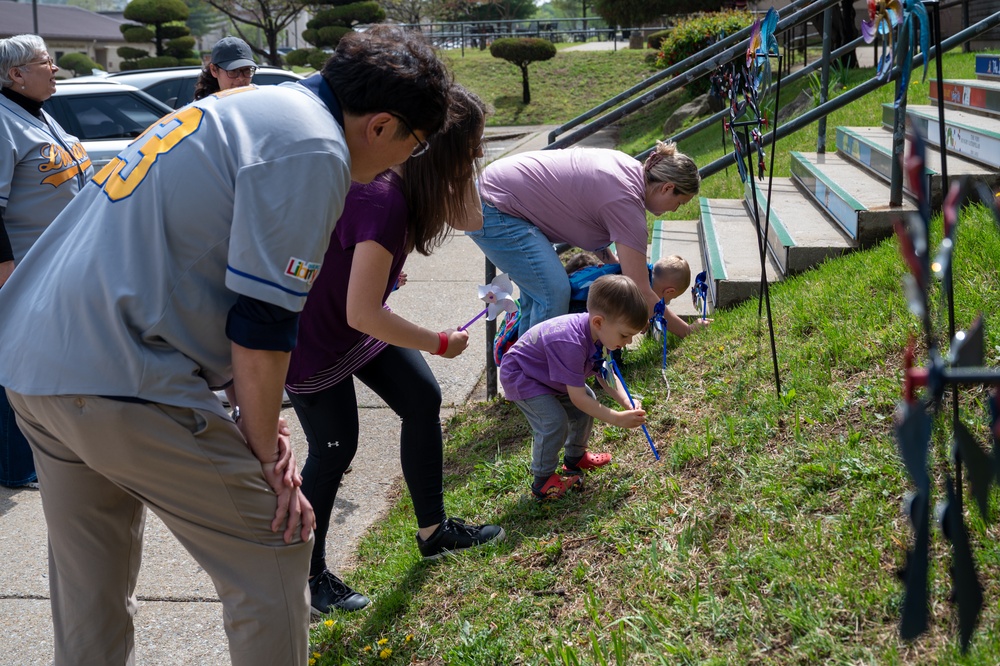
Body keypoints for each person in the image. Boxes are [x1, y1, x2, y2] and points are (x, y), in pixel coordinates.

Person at [0, 25, 450, 666]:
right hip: (116, 374)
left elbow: (225, 284)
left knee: (89, 581)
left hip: (33, 360)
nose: (407, 161)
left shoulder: (246, 106)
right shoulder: (315, 149)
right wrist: (267, 452)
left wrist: (255, 416)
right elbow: (263, 323)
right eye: (416, 143)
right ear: (381, 125)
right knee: (275, 542)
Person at [284, 85, 504, 616]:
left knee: (421, 396)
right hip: (315, 339)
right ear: (437, 150)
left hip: (349, 323)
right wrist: (439, 342)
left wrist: (379, 271)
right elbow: (362, 314)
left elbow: (472, 218)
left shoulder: (398, 190)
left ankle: (433, 533)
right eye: (472, 148)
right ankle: (306, 580)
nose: (479, 158)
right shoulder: (383, 198)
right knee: (335, 449)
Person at [468, 141, 702, 339]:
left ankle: (524, 380)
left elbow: (589, 220)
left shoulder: (629, 169)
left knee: (537, 297)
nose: (674, 210)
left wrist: (611, 261)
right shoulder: (626, 202)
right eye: (679, 203)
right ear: (667, 188)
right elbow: (639, 288)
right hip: (495, 205)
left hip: (496, 191)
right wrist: (688, 330)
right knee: (553, 292)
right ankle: (538, 382)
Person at [0, 34, 92, 489]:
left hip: (57, 268)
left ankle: (47, 450)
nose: (54, 68)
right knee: (16, 365)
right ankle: (17, 465)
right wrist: (6, 272)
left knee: (49, 362)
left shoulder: (37, 113)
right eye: (44, 61)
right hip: (23, 269)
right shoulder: (1, 120)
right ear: (15, 74)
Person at [499, 275, 649, 500]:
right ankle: (543, 481)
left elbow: (605, 373)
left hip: (546, 374)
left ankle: (574, 458)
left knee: (584, 404)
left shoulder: (601, 333)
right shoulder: (571, 343)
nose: (627, 342)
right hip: (522, 374)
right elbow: (577, 398)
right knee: (553, 421)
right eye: (625, 335)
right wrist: (617, 418)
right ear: (598, 322)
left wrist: (626, 401)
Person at [193, 36, 257, 101]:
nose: (241, 78)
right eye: (233, 71)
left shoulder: (259, 100)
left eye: (246, 70)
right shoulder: (203, 108)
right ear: (214, 70)